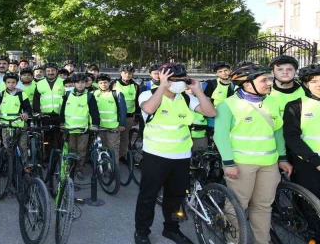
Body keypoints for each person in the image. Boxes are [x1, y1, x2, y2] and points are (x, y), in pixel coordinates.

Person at [135, 63, 215, 244]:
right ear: (163, 79)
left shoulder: (186, 99)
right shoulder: (148, 94)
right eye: (174, 80)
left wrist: (197, 91)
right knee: (148, 196)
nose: (179, 83)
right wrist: (162, 86)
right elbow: (148, 109)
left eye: (182, 80)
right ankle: (141, 231)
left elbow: (211, 112)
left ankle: (171, 229)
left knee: (175, 197)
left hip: (181, 156)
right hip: (155, 156)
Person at [214, 62, 293, 244]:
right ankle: (234, 241)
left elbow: (277, 131)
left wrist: (282, 158)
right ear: (248, 84)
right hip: (242, 165)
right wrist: (228, 163)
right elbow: (220, 136)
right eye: (264, 80)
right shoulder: (228, 105)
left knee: (263, 206)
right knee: (237, 207)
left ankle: (261, 242)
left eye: (268, 79)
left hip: (269, 163)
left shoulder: (271, 102)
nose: (269, 83)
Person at [283, 64, 320, 199]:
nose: (318, 85)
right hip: (308, 162)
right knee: (309, 206)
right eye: (313, 81)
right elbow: (292, 137)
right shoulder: (295, 105)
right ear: (305, 84)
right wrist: (316, 161)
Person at [59, 73, 99, 180]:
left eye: (82, 82)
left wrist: (95, 125)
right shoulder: (67, 94)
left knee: (81, 150)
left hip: (83, 128)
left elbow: (94, 112)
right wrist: (61, 123)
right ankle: (70, 167)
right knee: (71, 148)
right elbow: (62, 110)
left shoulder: (90, 96)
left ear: (86, 84)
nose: (80, 85)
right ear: (74, 84)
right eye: (77, 83)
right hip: (69, 128)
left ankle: (79, 169)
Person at [0, 72, 31, 154]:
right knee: (7, 147)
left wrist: (26, 113)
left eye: (13, 82)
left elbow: (28, 108)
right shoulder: (0, 95)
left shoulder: (21, 94)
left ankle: (24, 165)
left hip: (20, 125)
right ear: (5, 83)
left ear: (16, 83)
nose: (11, 84)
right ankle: (8, 165)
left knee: (22, 146)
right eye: (8, 82)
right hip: (6, 126)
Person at [33, 63, 66, 157]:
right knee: (47, 138)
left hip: (60, 114)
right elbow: (36, 99)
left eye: (52, 70)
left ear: (57, 71)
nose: (50, 73)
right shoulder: (39, 83)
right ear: (45, 72)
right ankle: (48, 156)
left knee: (60, 137)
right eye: (48, 71)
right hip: (45, 115)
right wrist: (36, 112)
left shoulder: (63, 82)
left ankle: (59, 156)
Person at [110, 65, 141, 161]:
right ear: (121, 73)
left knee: (124, 138)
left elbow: (137, 101)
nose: (127, 75)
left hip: (128, 117)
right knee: (113, 138)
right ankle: (111, 156)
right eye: (125, 73)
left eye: (130, 73)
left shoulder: (135, 86)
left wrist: (137, 116)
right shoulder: (114, 84)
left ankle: (122, 156)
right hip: (115, 116)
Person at [94, 74, 127, 158]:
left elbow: (123, 110)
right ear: (98, 84)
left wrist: (122, 124)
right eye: (101, 83)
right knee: (102, 147)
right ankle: (104, 166)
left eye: (105, 82)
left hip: (113, 127)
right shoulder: (96, 93)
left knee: (113, 148)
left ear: (109, 83)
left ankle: (114, 168)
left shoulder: (117, 93)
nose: (103, 85)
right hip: (100, 126)